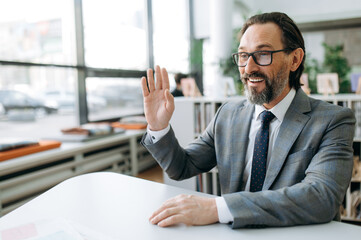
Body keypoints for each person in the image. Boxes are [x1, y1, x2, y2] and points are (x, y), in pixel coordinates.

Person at [140, 12, 356, 229]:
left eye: (263, 54)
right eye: (243, 56)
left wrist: (216, 208)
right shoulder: (227, 115)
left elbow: (321, 198)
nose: (249, 68)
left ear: (295, 59)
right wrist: (159, 127)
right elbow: (182, 167)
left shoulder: (333, 120)